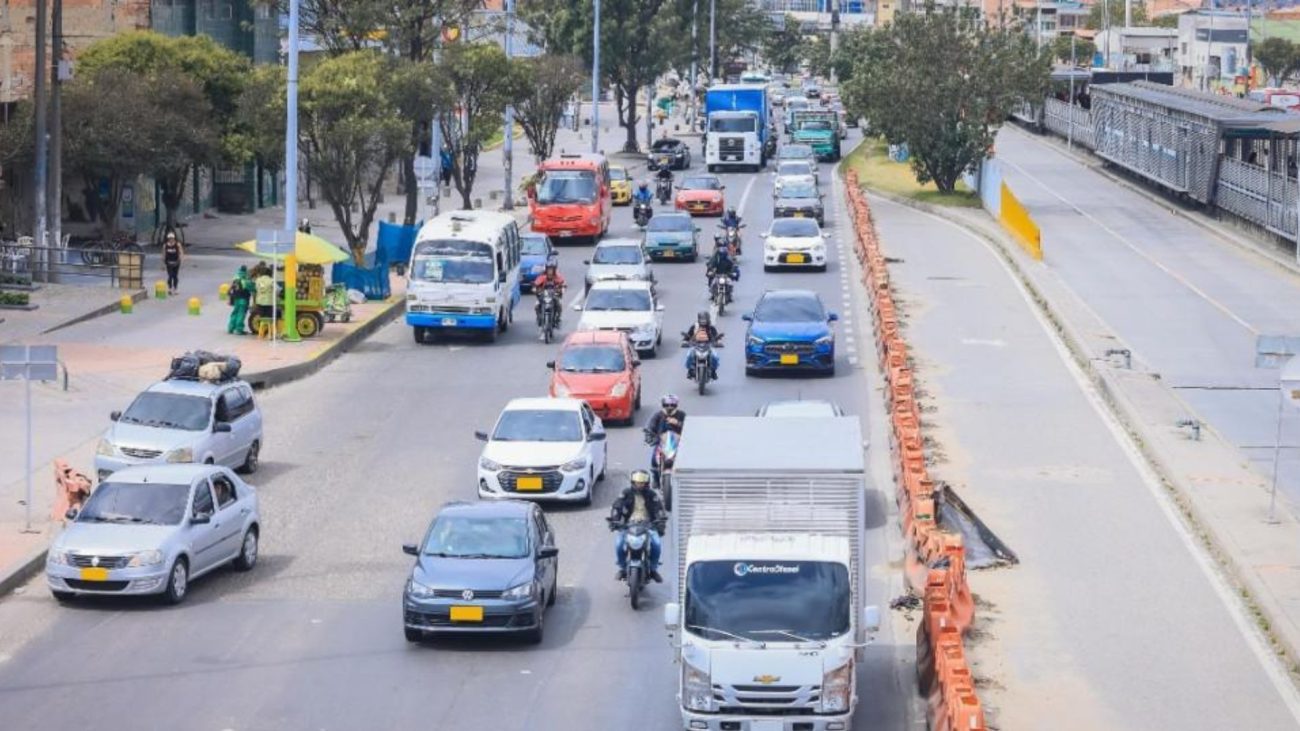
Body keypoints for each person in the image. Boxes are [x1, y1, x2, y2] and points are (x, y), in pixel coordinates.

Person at [608, 469, 666, 582]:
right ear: (633, 482)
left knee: (657, 545)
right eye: (637, 482)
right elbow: (617, 507)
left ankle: (653, 569)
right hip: (628, 525)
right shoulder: (626, 493)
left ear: (646, 483)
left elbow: (658, 509)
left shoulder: (652, 495)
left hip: (648, 525)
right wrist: (614, 521)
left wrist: (660, 522)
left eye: (642, 483)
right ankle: (622, 568)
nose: (639, 485)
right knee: (619, 544)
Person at [682, 311, 722, 380]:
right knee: (689, 356)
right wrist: (686, 342)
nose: (703, 322)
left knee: (715, 357)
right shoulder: (694, 327)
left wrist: (718, 343)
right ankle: (690, 370)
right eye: (702, 319)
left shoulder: (711, 328)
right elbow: (688, 336)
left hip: (708, 346)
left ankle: (713, 372)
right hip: (696, 346)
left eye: (705, 320)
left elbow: (716, 337)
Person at [532, 261, 566, 333]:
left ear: (554, 270)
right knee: (536, 305)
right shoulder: (542, 277)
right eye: (548, 269)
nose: (550, 271)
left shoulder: (557, 277)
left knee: (559, 305)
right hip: (543, 296)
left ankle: (557, 319)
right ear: (546, 269)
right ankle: (539, 318)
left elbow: (562, 284)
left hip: (554, 296)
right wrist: (535, 288)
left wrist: (562, 288)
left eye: (551, 269)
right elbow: (536, 283)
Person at [227, 265, 253, 335]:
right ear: (245, 271)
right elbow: (251, 288)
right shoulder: (246, 279)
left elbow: (231, 288)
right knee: (241, 314)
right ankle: (239, 329)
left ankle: (230, 328)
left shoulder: (236, 277)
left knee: (235, 312)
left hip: (236, 298)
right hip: (243, 299)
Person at [253, 263, 276, 334]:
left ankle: (262, 332)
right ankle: (270, 332)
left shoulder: (257, 280)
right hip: (269, 303)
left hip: (259, 302)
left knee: (262, 317)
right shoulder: (271, 280)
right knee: (270, 317)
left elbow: (256, 288)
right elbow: (277, 289)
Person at [162, 231, 183, 296]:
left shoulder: (177, 244)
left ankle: (175, 288)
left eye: (172, 238)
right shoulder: (165, 245)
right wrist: (163, 263)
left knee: (175, 276)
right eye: (170, 238)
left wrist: (180, 260)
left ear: (174, 238)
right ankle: (170, 288)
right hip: (168, 262)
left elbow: (181, 252)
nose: (171, 240)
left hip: (176, 262)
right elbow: (164, 254)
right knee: (170, 276)